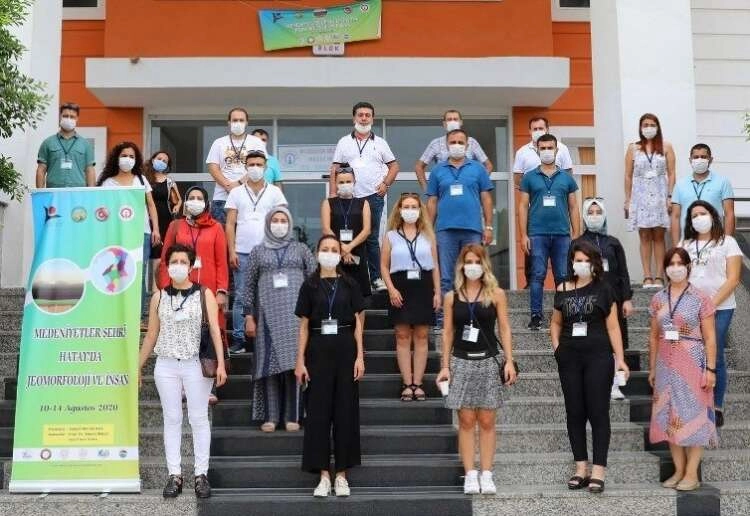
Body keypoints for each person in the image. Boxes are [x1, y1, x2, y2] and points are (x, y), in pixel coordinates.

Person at [138, 244, 228, 499]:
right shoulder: (159, 297)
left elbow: (214, 330)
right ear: (167, 266)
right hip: (166, 364)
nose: (178, 266)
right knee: (172, 418)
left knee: (198, 419)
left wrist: (221, 363)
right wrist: (138, 366)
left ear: (191, 266)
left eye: (183, 262)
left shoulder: (204, 294)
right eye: (173, 261)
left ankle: (201, 475)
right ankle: (174, 475)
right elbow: (151, 334)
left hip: (195, 364)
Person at [435, 244, 517, 495]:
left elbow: (504, 328)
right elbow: (447, 332)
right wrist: (445, 366)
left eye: (477, 261)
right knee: (466, 420)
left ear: (484, 265)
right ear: (462, 265)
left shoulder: (496, 294)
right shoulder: (452, 297)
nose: (473, 266)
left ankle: (487, 474)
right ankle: (470, 473)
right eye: (468, 262)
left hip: (488, 360)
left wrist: (510, 360)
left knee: (487, 420)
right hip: (461, 361)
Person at [551, 240, 630, 494]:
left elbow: (613, 327)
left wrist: (620, 359)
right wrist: (557, 348)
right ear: (571, 262)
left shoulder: (604, 288)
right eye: (578, 260)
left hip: (598, 357)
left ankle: (598, 470)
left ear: (594, 263)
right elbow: (555, 322)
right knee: (574, 412)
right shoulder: (562, 288)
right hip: (569, 358)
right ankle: (580, 468)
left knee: (598, 412)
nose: (582, 264)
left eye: (586, 260)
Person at [295, 235, 365, 498]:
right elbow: (303, 326)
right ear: (317, 253)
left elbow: (358, 323)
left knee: (346, 412)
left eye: (334, 249)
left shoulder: (350, 284)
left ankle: (342, 475)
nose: (329, 253)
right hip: (317, 352)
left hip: (346, 349)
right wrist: (300, 360)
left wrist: (360, 356)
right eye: (325, 249)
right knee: (318, 413)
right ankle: (324, 475)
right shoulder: (309, 285)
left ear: (340, 254)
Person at [648, 247, 718, 491]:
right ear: (665, 268)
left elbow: (710, 337)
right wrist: (652, 368)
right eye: (671, 263)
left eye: (680, 263)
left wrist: (711, 369)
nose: (675, 268)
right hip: (665, 364)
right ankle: (679, 470)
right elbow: (653, 336)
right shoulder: (658, 298)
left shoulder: (700, 298)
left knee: (694, 416)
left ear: (688, 266)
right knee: (670, 417)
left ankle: (691, 473)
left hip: (692, 363)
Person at [242, 207, 316, 432]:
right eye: (275, 220)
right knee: (269, 368)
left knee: (295, 365)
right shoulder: (258, 251)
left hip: (296, 318)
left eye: (284, 220)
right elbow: (248, 285)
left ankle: (292, 416)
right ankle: (271, 417)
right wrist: (249, 316)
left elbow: (314, 279)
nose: (280, 224)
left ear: (290, 223)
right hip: (266, 317)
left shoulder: (301, 249)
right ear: (268, 223)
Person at [158, 186, 229, 406]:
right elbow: (165, 260)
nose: (195, 201)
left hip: (208, 291)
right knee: (181, 334)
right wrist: (165, 289)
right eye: (191, 198)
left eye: (199, 198)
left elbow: (221, 261)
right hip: (178, 289)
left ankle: (208, 387)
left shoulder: (216, 227)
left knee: (208, 337)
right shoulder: (176, 226)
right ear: (186, 202)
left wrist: (221, 291)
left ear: (206, 203)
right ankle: (180, 387)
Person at [678, 200, 741, 428]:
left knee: (715, 351)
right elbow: (677, 275)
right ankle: (695, 401)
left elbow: (733, 279)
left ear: (713, 215)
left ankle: (716, 405)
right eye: (694, 215)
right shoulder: (685, 244)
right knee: (692, 352)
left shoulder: (728, 242)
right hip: (690, 308)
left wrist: (709, 305)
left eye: (702, 213)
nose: (699, 218)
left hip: (720, 308)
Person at [330, 101, 400, 292]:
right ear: (354, 118)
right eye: (360, 115)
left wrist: (386, 184)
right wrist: (333, 194)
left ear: (372, 119)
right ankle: (345, 276)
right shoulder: (344, 142)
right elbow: (335, 169)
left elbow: (394, 166)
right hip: (349, 198)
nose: (363, 118)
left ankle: (376, 278)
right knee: (347, 236)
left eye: (367, 115)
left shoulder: (380, 143)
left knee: (371, 239)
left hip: (373, 197)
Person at [570, 198, 634, 400]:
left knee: (616, 343)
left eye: (598, 212)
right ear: (584, 216)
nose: (595, 216)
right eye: (590, 213)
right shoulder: (577, 243)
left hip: (614, 301)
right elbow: (570, 274)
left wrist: (626, 298)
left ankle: (616, 385)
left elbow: (623, 272)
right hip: (589, 301)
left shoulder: (613, 243)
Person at [380, 193, 441, 402]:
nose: (410, 210)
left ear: (420, 210)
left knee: (422, 335)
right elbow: (383, 266)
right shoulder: (390, 236)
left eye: (414, 207)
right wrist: (391, 289)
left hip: (423, 286)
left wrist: (437, 292)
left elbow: (435, 266)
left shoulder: (428, 235)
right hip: (400, 286)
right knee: (402, 335)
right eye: (406, 206)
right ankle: (407, 384)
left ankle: (418, 383)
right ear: (399, 210)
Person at [225, 151, 288, 352]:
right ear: (245, 167)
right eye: (251, 164)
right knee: (241, 296)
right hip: (242, 252)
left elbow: (282, 222)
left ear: (265, 167)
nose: (255, 168)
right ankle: (239, 339)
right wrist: (231, 251)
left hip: (268, 252)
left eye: (259, 164)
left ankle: (268, 338)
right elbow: (230, 224)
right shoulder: (236, 192)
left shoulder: (275, 192)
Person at [519, 133, 580, 331]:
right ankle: (536, 316)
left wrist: (576, 235)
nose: (546, 151)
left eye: (550, 148)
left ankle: (565, 315)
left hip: (562, 235)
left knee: (562, 276)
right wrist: (523, 235)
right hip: (537, 234)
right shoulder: (529, 177)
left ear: (556, 150)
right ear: (537, 151)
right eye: (543, 148)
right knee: (537, 275)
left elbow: (573, 207)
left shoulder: (567, 178)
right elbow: (522, 207)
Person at [426, 128, 494, 298]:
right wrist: (427, 230)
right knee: (446, 277)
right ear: (447, 145)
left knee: (474, 273)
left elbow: (486, 198)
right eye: (453, 142)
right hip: (445, 231)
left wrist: (488, 227)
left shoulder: (478, 169)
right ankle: (444, 314)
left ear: (467, 145)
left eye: (460, 142)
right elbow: (432, 202)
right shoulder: (437, 170)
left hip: (472, 230)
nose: (456, 145)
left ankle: (473, 311)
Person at [97, 141, 161, 315]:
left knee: (139, 274)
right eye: (124, 155)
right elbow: (101, 209)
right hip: (116, 234)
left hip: (141, 233)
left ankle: (137, 315)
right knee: (116, 272)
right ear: (117, 158)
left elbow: (151, 205)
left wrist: (155, 229)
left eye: (131, 156)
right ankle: (116, 312)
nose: (128, 159)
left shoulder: (141, 180)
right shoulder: (107, 183)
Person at [513, 116, 575, 289]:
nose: (538, 131)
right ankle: (529, 283)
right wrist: (534, 188)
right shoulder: (522, 152)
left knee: (562, 267)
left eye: (541, 128)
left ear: (547, 129)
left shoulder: (562, 149)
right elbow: (517, 179)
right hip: (533, 208)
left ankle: (563, 293)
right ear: (529, 131)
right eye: (534, 129)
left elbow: (568, 176)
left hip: (558, 212)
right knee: (531, 249)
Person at [625, 113, 676, 288]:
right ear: (640, 128)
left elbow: (672, 173)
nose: (649, 128)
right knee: (644, 235)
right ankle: (647, 275)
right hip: (640, 196)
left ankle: (659, 276)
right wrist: (627, 199)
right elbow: (627, 175)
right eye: (645, 125)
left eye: (652, 124)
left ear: (658, 127)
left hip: (660, 194)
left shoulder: (666, 146)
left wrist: (670, 196)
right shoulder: (633, 148)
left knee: (659, 236)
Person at [206, 107, 266, 224]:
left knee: (247, 233)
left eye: (241, 120)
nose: (238, 123)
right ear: (229, 122)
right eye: (235, 120)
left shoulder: (256, 142)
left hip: (249, 197)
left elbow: (261, 165)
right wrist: (228, 185)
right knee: (221, 234)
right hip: (222, 198)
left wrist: (238, 184)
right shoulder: (219, 143)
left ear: (247, 122)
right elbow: (213, 168)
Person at [321, 165, 372, 297]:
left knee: (359, 299)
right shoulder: (328, 203)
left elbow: (366, 230)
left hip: (358, 257)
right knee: (335, 296)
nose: (345, 185)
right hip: (334, 257)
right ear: (336, 183)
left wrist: (349, 247)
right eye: (341, 182)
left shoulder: (363, 203)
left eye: (348, 181)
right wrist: (343, 249)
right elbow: (326, 229)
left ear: (354, 181)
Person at [670, 143, 735, 243]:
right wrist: (676, 246)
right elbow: (675, 216)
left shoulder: (723, 182)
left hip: (715, 241)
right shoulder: (679, 185)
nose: (699, 160)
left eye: (703, 157)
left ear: (710, 160)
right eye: (696, 157)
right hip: (687, 241)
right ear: (690, 160)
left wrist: (727, 243)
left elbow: (729, 214)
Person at [415, 109, 493, 189]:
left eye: (455, 119)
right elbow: (419, 166)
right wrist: (427, 190)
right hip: (443, 190)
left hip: (468, 189)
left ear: (461, 122)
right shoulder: (436, 143)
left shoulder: (471, 142)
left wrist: (479, 185)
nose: (452, 122)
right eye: (449, 119)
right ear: (444, 124)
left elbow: (488, 165)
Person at [36, 102, 96, 188]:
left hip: (78, 192)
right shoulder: (48, 142)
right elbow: (41, 170)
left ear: (77, 119)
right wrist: (40, 193)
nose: (68, 119)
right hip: (54, 192)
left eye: (72, 117)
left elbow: (90, 170)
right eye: (65, 116)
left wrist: (91, 193)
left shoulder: (85, 144)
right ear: (60, 117)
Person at [145, 150, 182, 291]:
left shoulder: (169, 181)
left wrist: (177, 207)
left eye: (164, 161)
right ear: (153, 159)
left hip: (165, 219)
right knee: (145, 252)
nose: (161, 162)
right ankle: (144, 288)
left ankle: (156, 289)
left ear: (167, 165)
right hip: (146, 219)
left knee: (159, 254)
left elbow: (178, 200)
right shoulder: (145, 178)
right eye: (159, 158)